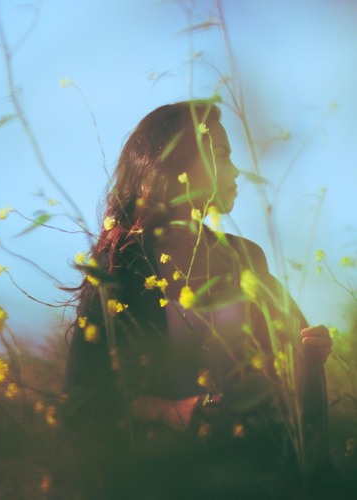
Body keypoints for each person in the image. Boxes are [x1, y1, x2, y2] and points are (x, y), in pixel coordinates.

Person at [62, 101, 333, 498]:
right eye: (221, 155)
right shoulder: (119, 269)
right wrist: (167, 411)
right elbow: (82, 401)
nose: (235, 171)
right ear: (176, 165)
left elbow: (292, 352)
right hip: (159, 481)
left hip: (249, 478)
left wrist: (312, 348)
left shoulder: (244, 257)